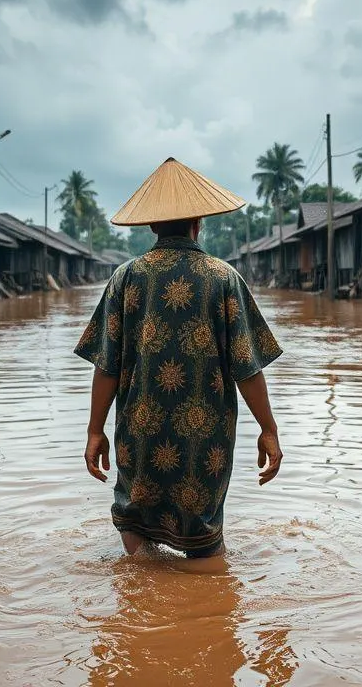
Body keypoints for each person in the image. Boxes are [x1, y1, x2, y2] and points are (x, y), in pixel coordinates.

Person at [74, 157, 283, 559]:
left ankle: (145, 593)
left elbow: (106, 365)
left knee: (134, 523)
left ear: (151, 225)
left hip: (139, 430)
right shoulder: (223, 278)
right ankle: (205, 605)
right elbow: (247, 367)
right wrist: (268, 428)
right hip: (203, 438)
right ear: (199, 222)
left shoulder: (126, 277)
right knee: (203, 536)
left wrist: (94, 430)